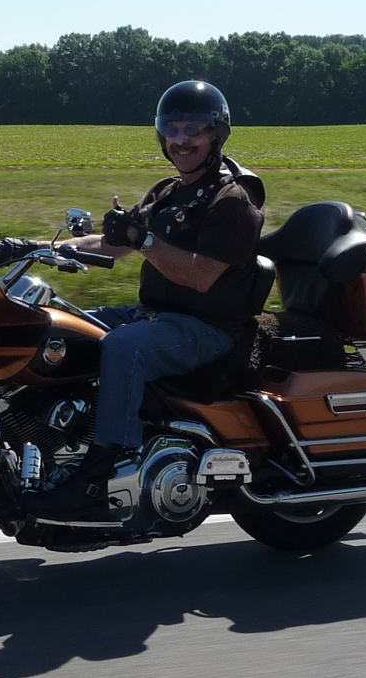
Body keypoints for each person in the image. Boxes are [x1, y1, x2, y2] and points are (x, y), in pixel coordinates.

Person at [22, 80, 267, 524]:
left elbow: (201, 275)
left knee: (123, 347)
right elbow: (113, 244)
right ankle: (49, 447)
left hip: (208, 328)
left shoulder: (233, 199)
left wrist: (144, 239)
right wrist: (30, 247)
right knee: (57, 328)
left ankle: (98, 479)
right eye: (173, 129)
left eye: (194, 129)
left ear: (217, 133)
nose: (181, 139)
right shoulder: (169, 191)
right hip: (157, 315)